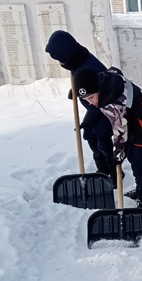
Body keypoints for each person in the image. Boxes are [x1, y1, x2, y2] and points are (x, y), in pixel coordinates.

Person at [73, 67, 142, 218]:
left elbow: (120, 132)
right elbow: (115, 71)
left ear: (98, 90)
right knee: (134, 157)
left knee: (139, 163)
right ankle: (141, 189)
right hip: (135, 123)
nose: (91, 103)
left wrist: (117, 155)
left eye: (91, 98)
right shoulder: (105, 81)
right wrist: (88, 123)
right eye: (86, 99)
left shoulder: (115, 103)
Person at [45, 30, 118, 186]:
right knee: (91, 139)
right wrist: (78, 89)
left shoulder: (91, 67)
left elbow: (102, 99)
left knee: (103, 144)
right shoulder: (78, 60)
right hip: (95, 110)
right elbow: (84, 80)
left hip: (105, 112)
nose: (60, 64)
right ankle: (102, 170)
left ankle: (115, 175)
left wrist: (89, 121)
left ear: (68, 57)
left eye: (61, 60)